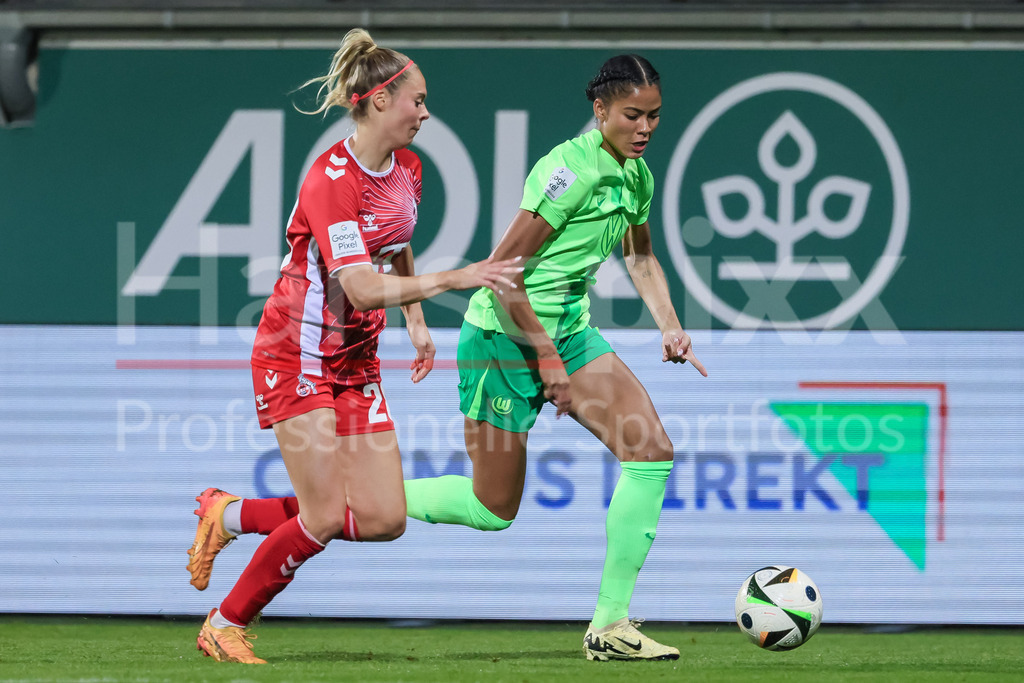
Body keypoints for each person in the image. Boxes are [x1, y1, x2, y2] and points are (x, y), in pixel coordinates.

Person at [186, 28, 518, 664]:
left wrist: (418, 320)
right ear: (375, 101)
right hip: (297, 352)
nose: (425, 113)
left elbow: (392, 244)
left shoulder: (408, 169)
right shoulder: (329, 180)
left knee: (384, 516)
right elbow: (361, 289)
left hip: (356, 362)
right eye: (416, 101)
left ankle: (227, 515)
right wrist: (456, 277)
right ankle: (225, 623)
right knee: (325, 516)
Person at [402, 53, 706, 662]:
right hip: (502, 339)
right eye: (631, 115)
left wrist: (670, 325)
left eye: (654, 116)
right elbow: (502, 274)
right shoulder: (569, 169)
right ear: (600, 110)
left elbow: (640, 258)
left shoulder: (637, 177)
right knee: (492, 511)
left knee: (651, 451)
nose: (644, 128)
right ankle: (354, 497)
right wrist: (546, 362)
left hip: (567, 332)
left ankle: (610, 626)